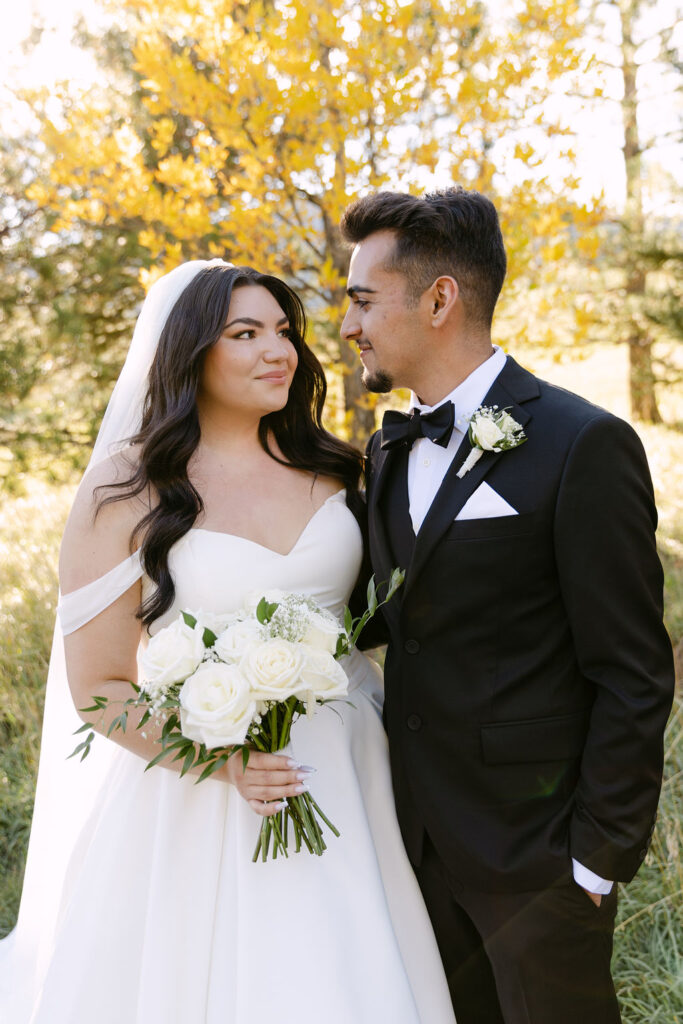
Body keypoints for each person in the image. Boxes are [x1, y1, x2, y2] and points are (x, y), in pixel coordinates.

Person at [0, 260, 456, 1023]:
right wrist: (226, 762)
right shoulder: (127, 491)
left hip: (347, 772)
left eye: (283, 331)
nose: (278, 350)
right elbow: (100, 687)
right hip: (198, 798)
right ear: (188, 354)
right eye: (244, 333)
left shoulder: (337, 468)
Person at [339, 187, 675, 1024]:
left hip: (538, 860)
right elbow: (387, 620)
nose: (349, 326)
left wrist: (594, 861)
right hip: (413, 846)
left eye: (362, 300)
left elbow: (633, 671)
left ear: (440, 299)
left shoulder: (580, 443)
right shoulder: (387, 447)